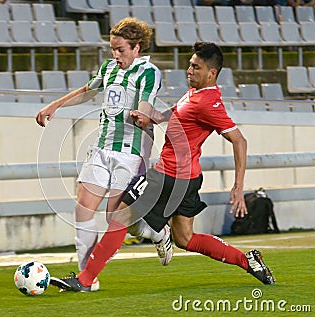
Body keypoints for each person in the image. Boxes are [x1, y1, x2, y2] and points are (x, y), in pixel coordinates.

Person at [50, 42, 275, 292]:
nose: (189, 70)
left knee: (120, 217)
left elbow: (239, 140)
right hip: (188, 178)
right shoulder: (195, 93)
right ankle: (248, 261)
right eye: (190, 65)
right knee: (186, 239)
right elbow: (178, 112)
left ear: (212, 73)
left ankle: (85, 280)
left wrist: (238, 186)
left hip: (169, 175)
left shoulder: (208, 103)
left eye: (196, 67)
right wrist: (153, 116)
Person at [35, 17, 173, 290]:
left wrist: (143, 116)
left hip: (131, 154)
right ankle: (86, 276)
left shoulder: (148, 72)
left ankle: (157, 231)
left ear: (137, 48)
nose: (115, 54)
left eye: (121, 49)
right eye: (113, 48)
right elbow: (87, 92)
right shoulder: (109, 68)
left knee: (117, 219)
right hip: (102, 148)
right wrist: (56, 105)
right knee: (83, 206)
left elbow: (146, 104)